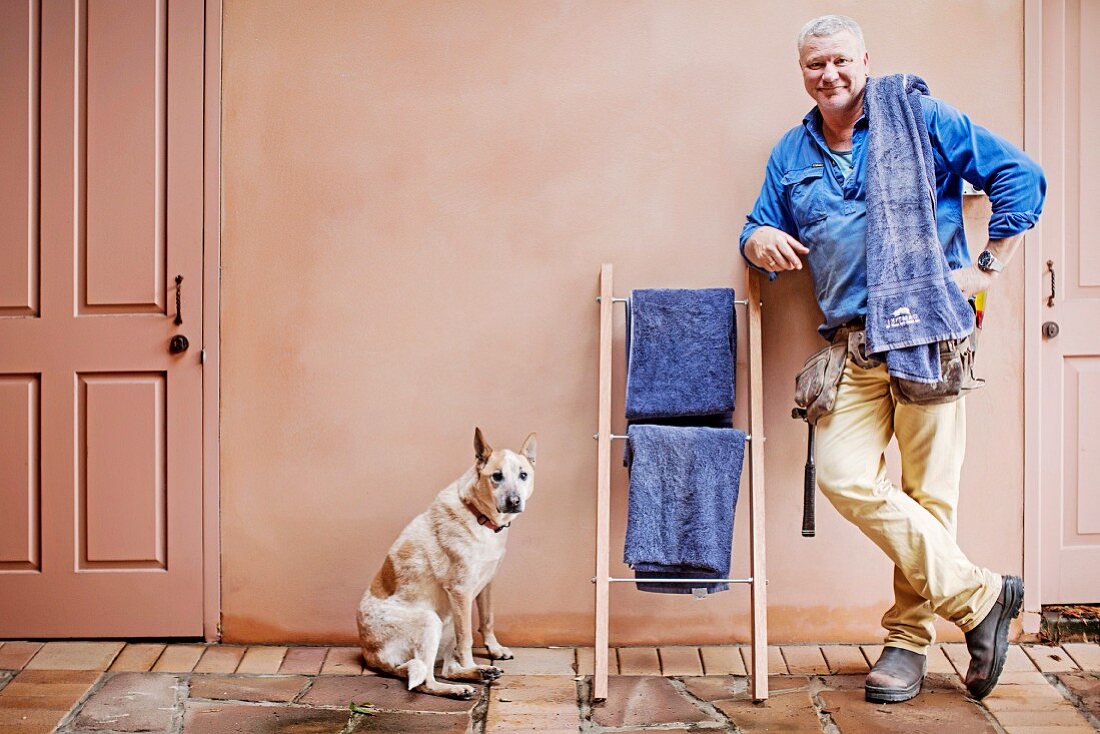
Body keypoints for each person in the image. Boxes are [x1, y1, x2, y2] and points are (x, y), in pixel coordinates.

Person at [740, 15, 1045, 703]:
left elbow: (1020, 177)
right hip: (850, 342)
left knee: (928, 495)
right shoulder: (792, 153)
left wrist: (990, 269)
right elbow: (758, 222)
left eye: (842, 61)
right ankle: (983, 597)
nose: (830, 75)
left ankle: (906, 646)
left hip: (929, 334)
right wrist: (760, 239)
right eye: (816, 64)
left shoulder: (919, 118)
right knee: (845, 476)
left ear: (865, 61)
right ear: (803, 71)